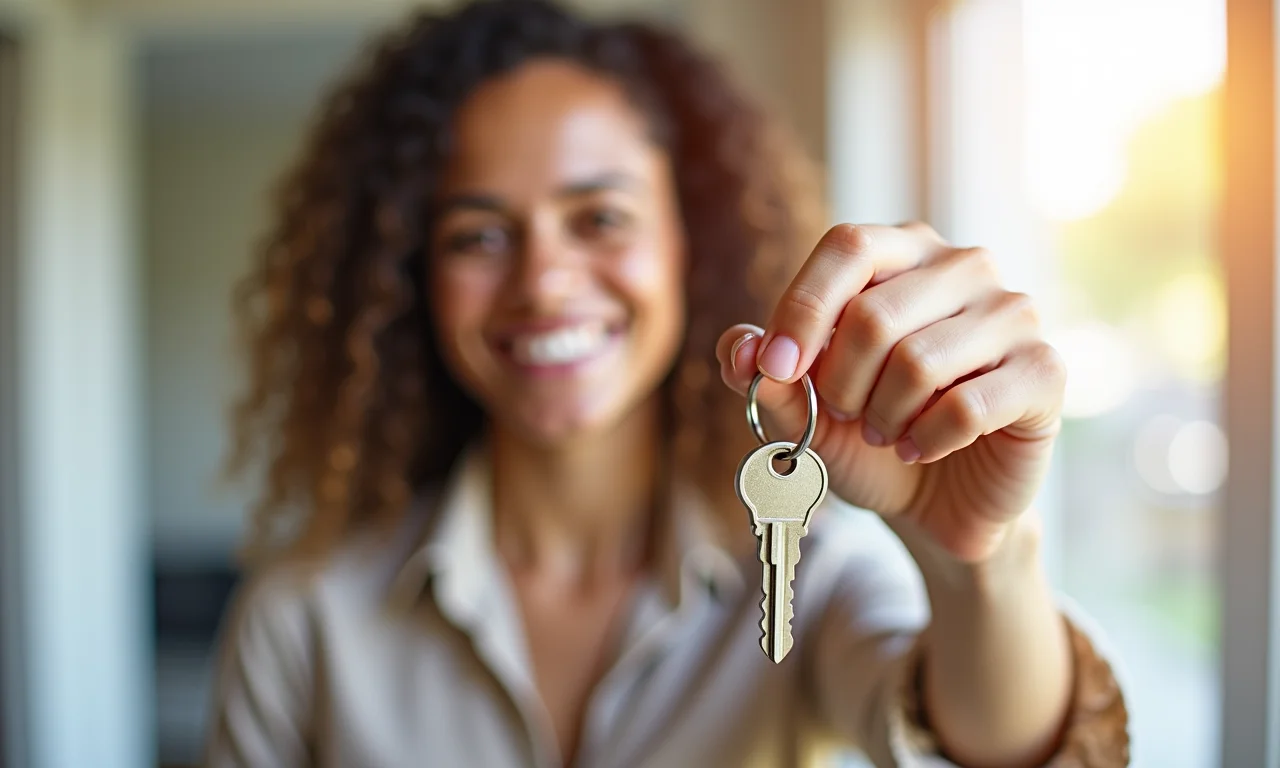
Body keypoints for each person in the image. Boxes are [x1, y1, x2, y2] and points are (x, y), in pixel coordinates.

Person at [206, 1, 1128, 766]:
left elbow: (1007, 751)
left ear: (694, 242)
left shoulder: (818, 576)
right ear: (415, 279)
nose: (544, 282)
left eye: (599, 217)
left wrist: (979, 563)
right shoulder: (302, 621)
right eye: (479, 236)